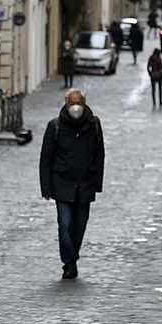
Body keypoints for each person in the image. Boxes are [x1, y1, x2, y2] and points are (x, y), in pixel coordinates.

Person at [39, 89, 104, 280]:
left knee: (80, 225)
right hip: (62, 184)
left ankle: (72, 257)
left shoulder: (94, 125)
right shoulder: (55, 126)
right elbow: (46, 158)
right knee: (65, 223)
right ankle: (69, 262)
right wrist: (46, 188)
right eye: (72, 102)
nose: (76, 107)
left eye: (79, 102)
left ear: (84, 103)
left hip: (85, 184)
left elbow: (99, 155)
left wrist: (97, 183)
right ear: (67, 104)